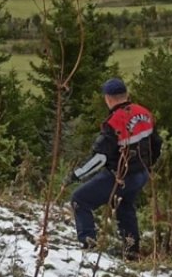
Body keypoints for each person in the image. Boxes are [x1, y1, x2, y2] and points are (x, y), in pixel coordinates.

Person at [69, 77, 161, 259]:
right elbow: (157, 144)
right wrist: (147, 167)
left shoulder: (114, 122)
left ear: (108, 99)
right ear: (126, 95)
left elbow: (100, 157)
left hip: (120, 175)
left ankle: (89, 247)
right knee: (124, 206)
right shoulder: (145, 113)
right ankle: (132, 251)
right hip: (141, 174)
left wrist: (77, 175)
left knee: (79, 199)